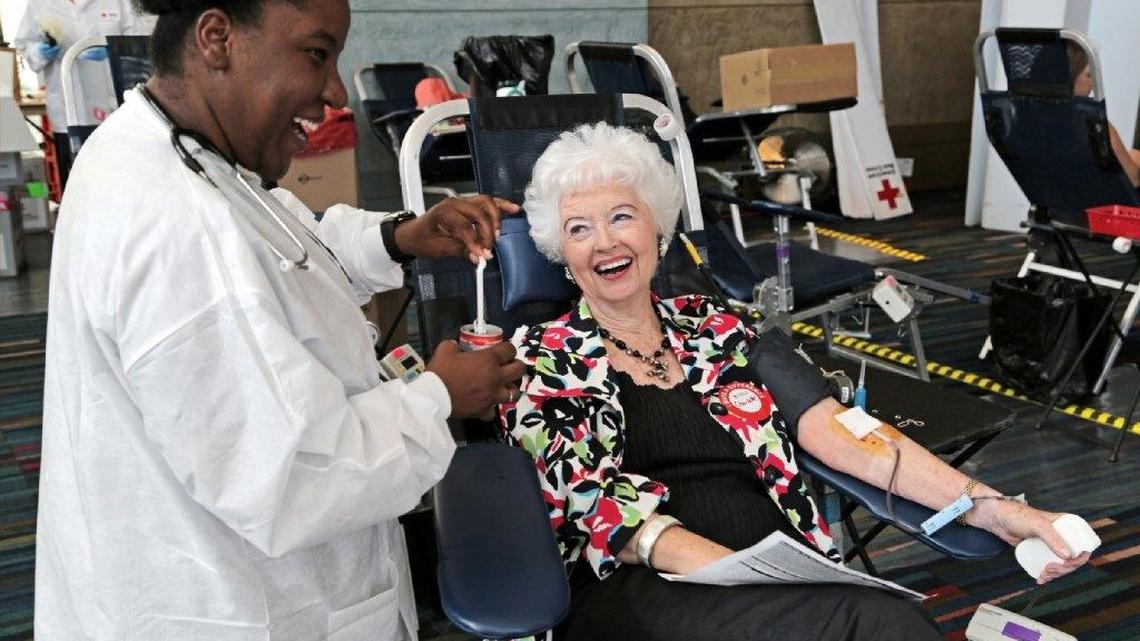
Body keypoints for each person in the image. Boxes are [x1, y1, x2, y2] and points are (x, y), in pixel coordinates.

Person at [35, 1, 526, 640]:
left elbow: (286, 249)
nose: (337, 91)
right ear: (217, 38)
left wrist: (403, 237)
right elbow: (293, 476)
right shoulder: (175, 222)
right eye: (317, 54)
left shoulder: (166, 149)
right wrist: (439, 399)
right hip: (236, 607)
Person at [498, 122, 1091, 640]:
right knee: (874, 622)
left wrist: (993, 510)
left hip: (779, 574)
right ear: (562, 254)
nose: (605, 241)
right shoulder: (539, 359)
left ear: (658, 230)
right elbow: (598, 510)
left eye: (622, 217)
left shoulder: (719, 327)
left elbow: (838, 430)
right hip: (645, 584)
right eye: (579, 229)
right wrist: (745, 576)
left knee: (876, 618)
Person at [12, 0, 155, 187]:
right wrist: (39, 52)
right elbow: (26, 44)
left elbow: (141, 42)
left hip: (116, 108)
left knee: (124, 180)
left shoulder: (119, 2)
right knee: (78, 184)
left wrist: (113, 49)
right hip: (68, 111)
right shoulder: (40, 4)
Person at [1067, 40, 1140, 187]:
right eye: (1088, 75)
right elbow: (1133, 179)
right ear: (1070, 77)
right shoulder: (1096, 128)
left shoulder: (1030, 122)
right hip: (1098, 206)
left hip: (1058, 205)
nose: (1093, 83)